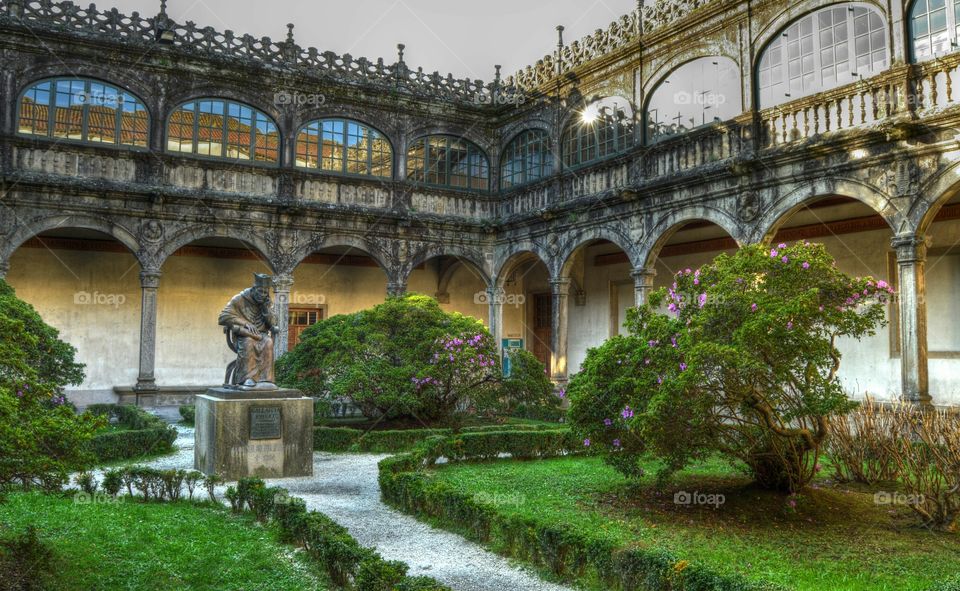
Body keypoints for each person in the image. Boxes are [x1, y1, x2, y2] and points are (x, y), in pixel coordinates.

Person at [218, 273, 279, 389]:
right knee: (249, 342)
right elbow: (223, 317)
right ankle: (246, 378)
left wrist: (265, 309)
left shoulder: (266, 301)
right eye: (260, 291)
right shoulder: (239, 299)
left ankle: (266, 379)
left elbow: (273, 323)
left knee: (268, 342)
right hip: (242, 335)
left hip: (261, 335)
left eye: (265, 292)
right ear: (254, 288)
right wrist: (245, 323)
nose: (262, 295)